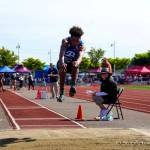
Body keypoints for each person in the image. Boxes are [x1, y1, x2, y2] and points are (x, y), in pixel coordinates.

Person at [57, 26, 85, 102]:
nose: (75, 42)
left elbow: (80, 57)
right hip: (64, 61)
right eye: (73, 40)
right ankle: (61, 92)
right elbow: (61, 54)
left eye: (77, 40)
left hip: (72, 64)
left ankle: (72, 86)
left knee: (76, 64)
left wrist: (77, 62)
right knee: (62, 66)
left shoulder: (81, 45)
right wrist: (62, 62)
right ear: (71, 37)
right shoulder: (65, 41)